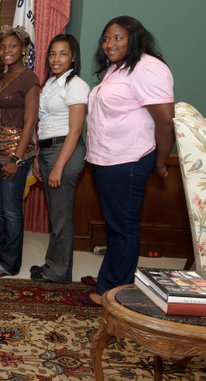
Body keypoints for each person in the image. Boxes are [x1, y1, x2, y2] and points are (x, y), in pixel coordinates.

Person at [79, 16, 174, 306]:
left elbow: (166, 121)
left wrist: (160, 161)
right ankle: (111, 276)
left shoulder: (149, 68)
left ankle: (115, 291)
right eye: (106, 38)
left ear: (135, 38)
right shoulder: (117, 69)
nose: (109, 44)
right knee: (115, 224)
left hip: (130, 159)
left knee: (123, 226)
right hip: (108, 159)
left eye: (118, 37)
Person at [0, 25, 40, 278]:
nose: (7, 51)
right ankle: (0, 257)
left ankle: (10, 263)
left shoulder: (29, 79)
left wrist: (16, 158)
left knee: (12, 210)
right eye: (3, 46)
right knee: (1, 210)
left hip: (15, 152)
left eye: (12, 46)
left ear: (24, 49)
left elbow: (30, 121)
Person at [29, 34, 89, 284]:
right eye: (52, 53)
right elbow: (44, 122)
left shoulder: (76, 84)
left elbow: (75, 129)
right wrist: (38, 156)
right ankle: (52, 264)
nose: (56, 58)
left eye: (63, 53)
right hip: (48, 150)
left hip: (65, 151)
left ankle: (59, 272)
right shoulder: (51, 84)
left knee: (61, 215)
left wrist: (59, 167)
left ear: (73, 57)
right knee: (56, 213)